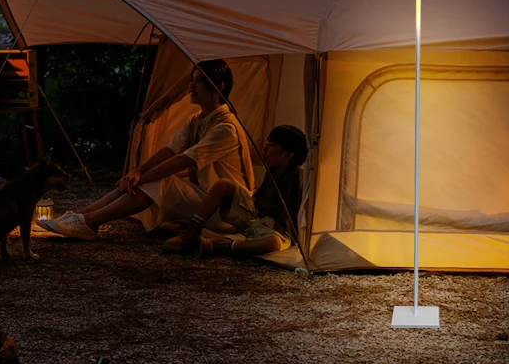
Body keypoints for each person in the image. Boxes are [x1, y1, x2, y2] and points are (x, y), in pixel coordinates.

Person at [38, 59, 254, 240]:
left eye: (199, 81)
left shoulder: (227, 127)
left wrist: (141, 177)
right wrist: (137, 172)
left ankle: (90, 222)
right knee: (147, 177)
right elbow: (170, 150)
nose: (191, 86)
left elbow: (181, 161)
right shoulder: (197, 120)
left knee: (162, 180)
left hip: (230, 212)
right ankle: (81, 215)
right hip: (205, 198)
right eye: (192, 79)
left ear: (219, 86)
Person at [164, 124, 308, 258]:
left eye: (270, 146)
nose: (264, 150)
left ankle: (222, 245)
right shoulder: (272, 170)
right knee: (224, 185)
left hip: (274, 228)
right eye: (265, 145)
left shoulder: (296, 175)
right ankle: (192, 232)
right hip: (256, 214)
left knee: (273, 243)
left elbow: (290, 217)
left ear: (288, 155)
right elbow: (260, 198)